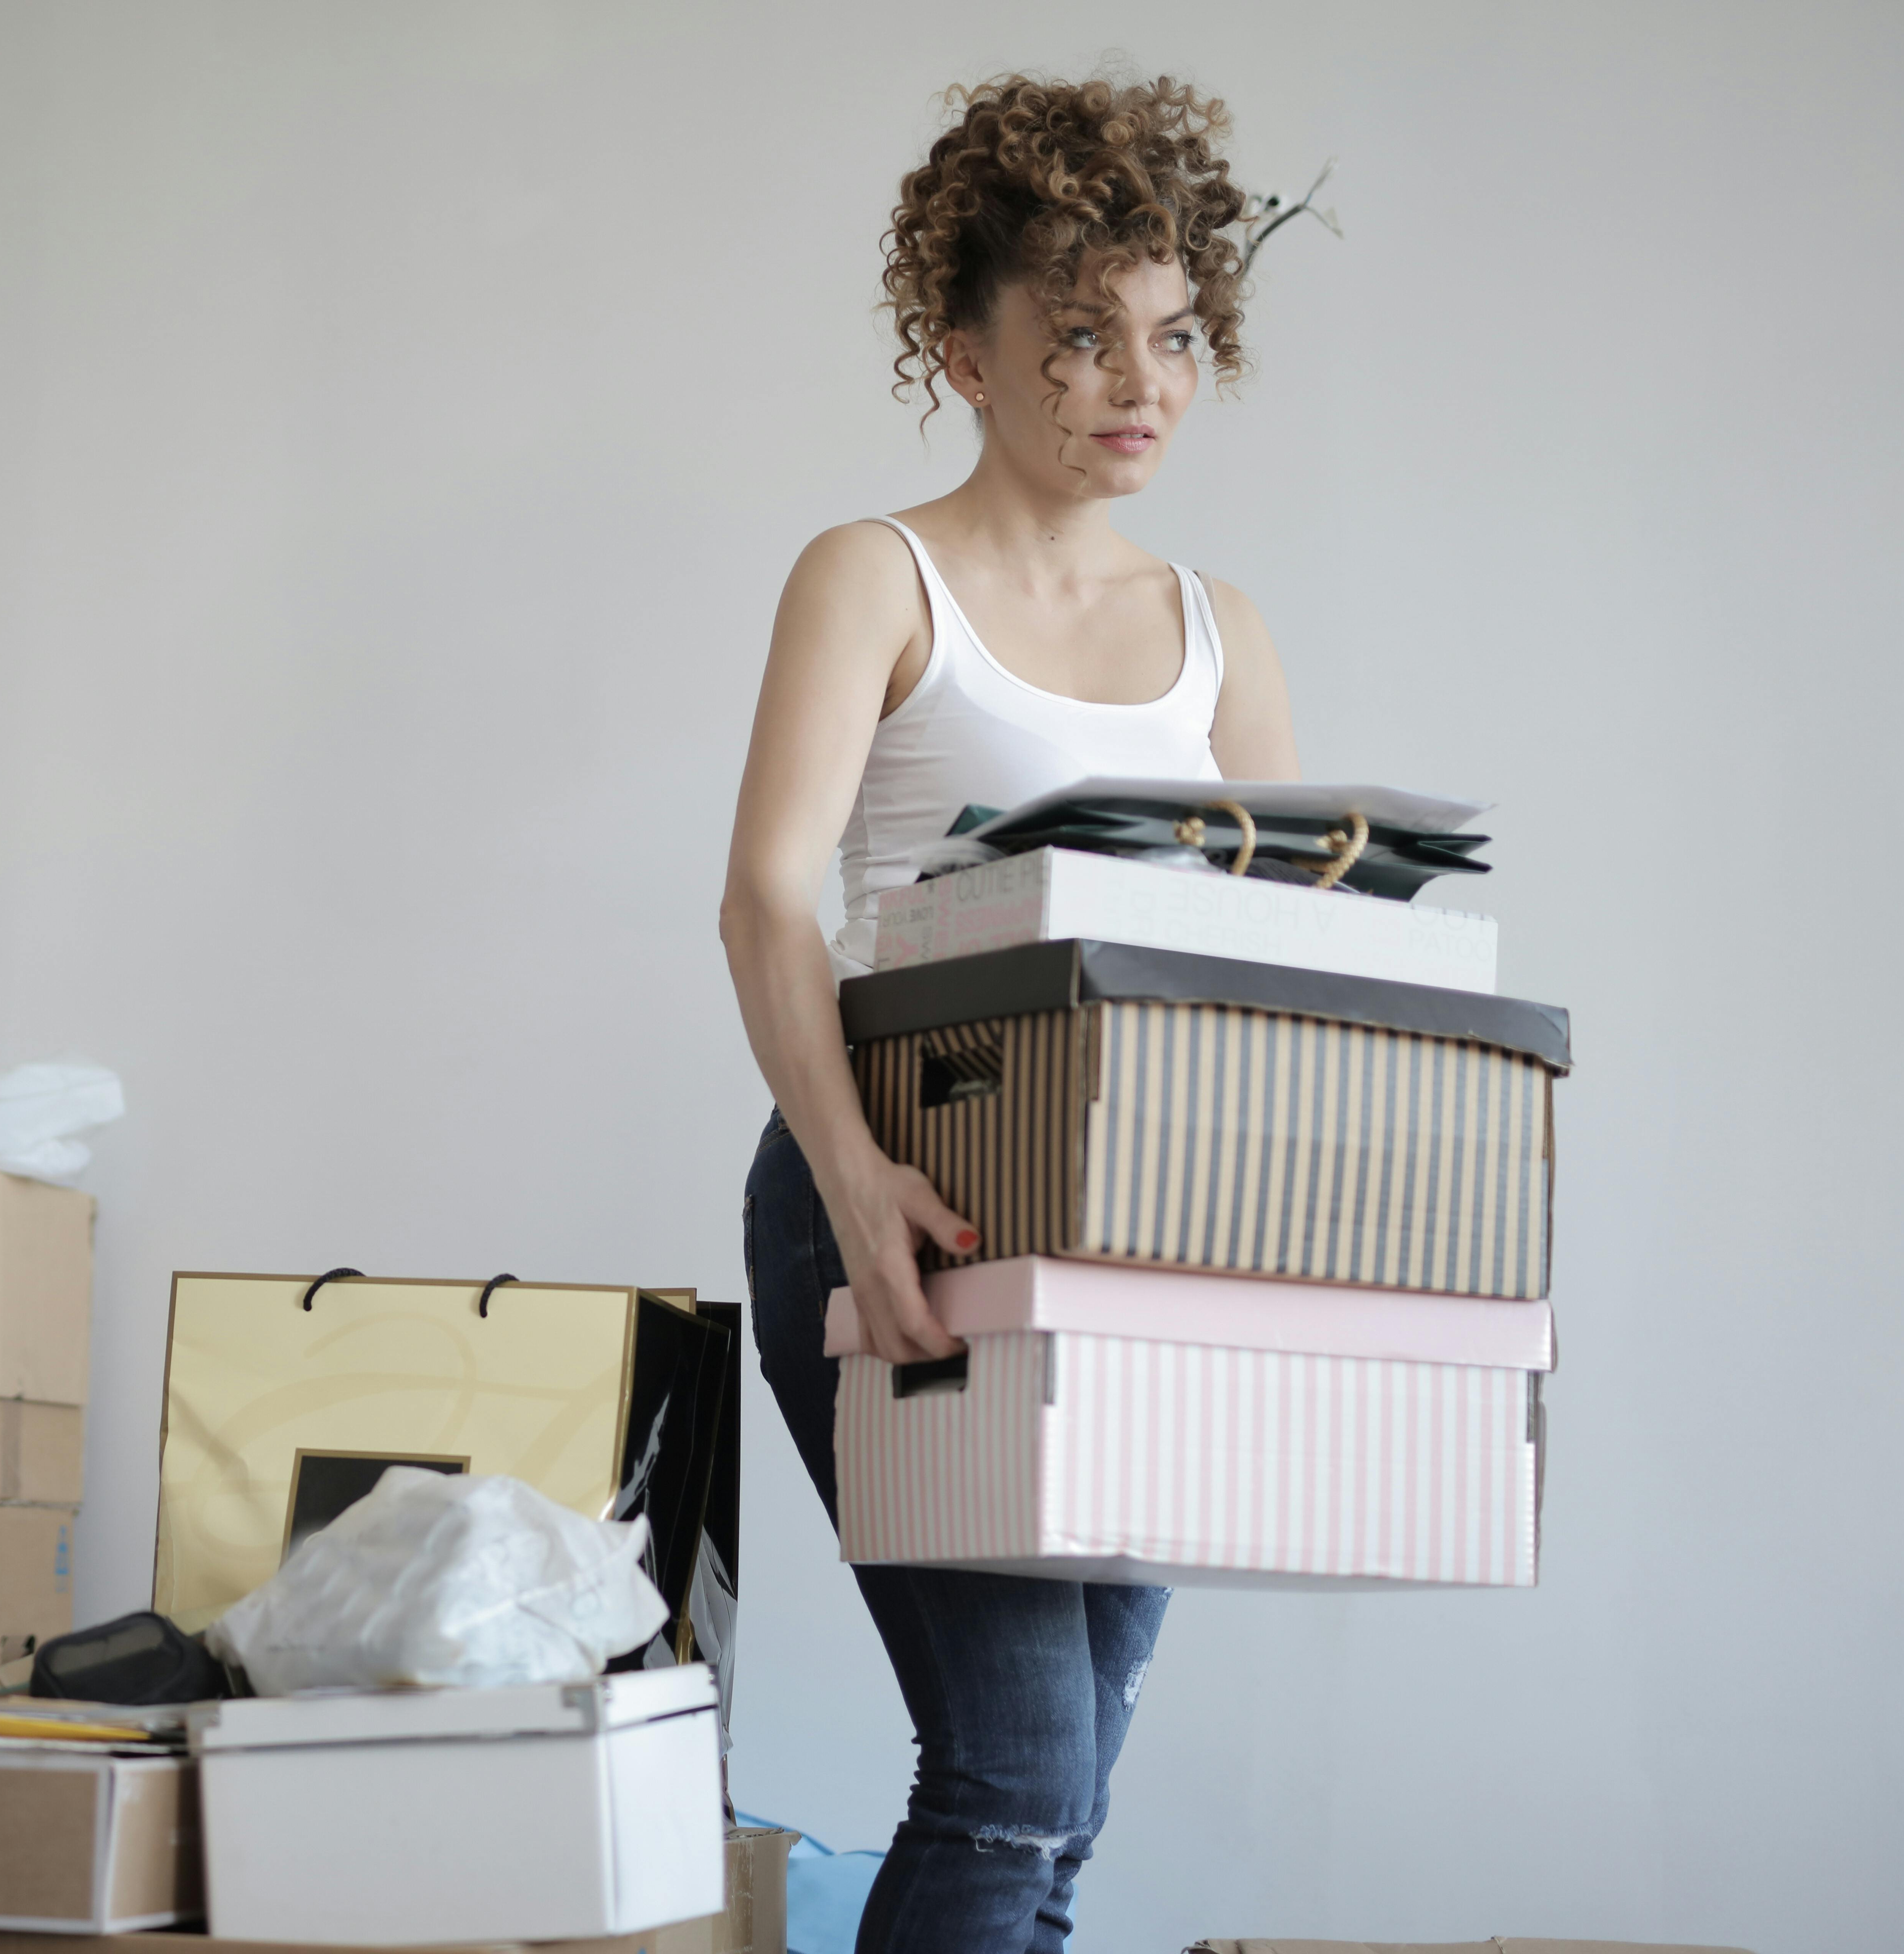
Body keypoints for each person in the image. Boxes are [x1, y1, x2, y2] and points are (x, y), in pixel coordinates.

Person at [719, 73, 1302, 1954]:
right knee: (1016, 1770)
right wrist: (854, 1176)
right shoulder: (874, 576)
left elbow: (1278, 973)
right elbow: (766, 900)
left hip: (1135, 1233)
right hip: (903, 1190)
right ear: (962, 355)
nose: (1139, 382)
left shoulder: (1223, 627)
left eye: (1173, 335)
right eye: (1077, 338)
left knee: (1067, 1791)